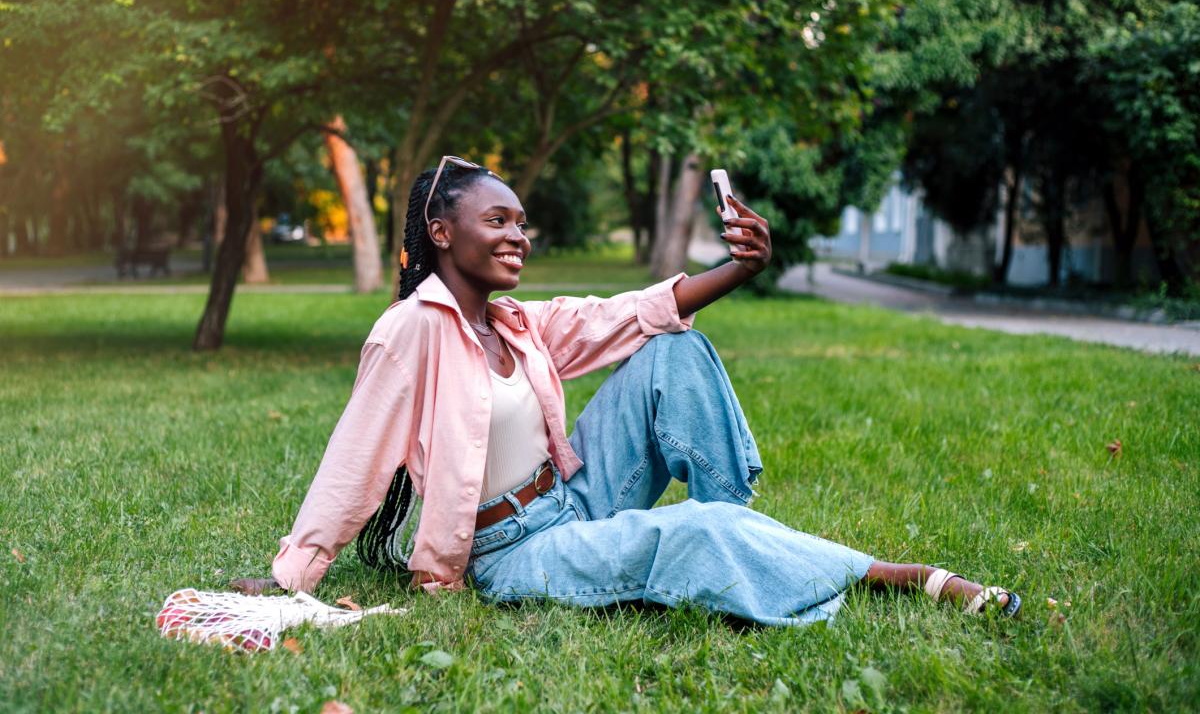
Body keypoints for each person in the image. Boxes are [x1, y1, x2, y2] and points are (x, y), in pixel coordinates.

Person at [232, 157, 1021, 624]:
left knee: (674, 351)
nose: (518, 236)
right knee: (694, 532)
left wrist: (741, 268)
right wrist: (290, 577)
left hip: (573, 498)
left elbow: (632, 312)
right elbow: (353, 462)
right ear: (441, 233)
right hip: (512, 553)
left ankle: (737, 534)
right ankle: (897, 575)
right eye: (497, 221)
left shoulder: (515, 323)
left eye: (521, 222)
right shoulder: (410, 332)